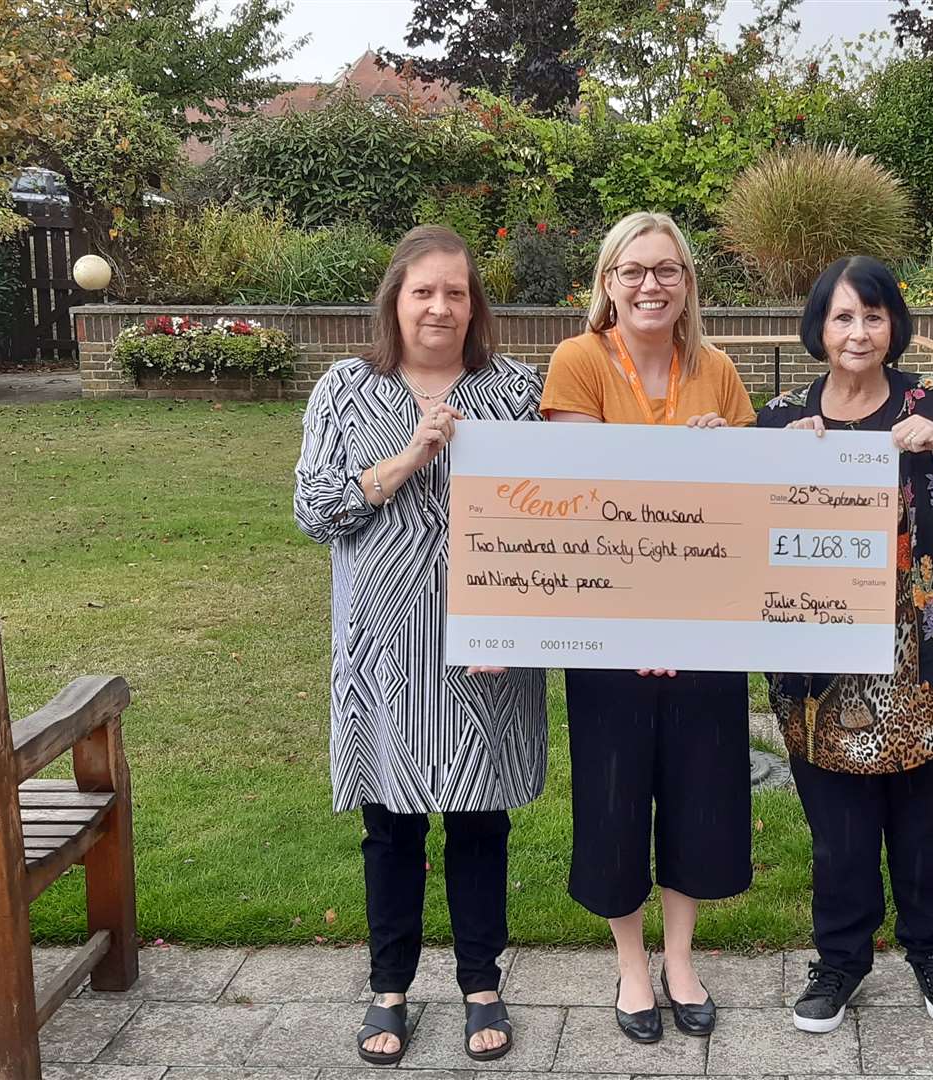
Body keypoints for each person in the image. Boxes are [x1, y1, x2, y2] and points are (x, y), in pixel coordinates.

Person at [293, 225, 547, 1066]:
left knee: (481, 822)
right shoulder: (344, 389)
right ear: (394, 299)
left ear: (475, 307)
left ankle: (482, 982)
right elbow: (314, 510)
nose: (440, 307)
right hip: (384, 648)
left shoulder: (512, 390)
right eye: (423, 291)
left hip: (489, 647)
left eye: (457, 292)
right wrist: (407, 457)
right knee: (391, 825)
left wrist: (524, 619)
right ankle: (389, 989)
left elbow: (550, 516)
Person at [757, 255, 933, 1034]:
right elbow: (732, 535)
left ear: (893, 324)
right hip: (821, 666)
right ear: (818, 327)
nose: (858, 332)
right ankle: (839, 962)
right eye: (842, 317)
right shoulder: (779, 419)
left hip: (929, 659)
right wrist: (764, 457)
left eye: (872, 316)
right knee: (838, 832)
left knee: (926, 823)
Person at [540, 211, 756, 1043]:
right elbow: (589, 499)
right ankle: (631, 965)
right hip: (608, 630)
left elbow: (744, 513)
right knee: (616, 795)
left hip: (706, 627)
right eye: (633, 270)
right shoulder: (579, 361)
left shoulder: (721, 371)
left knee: (702, 797)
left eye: (667, 270)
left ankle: (680, 959)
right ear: (607, 281)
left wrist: (724, 452)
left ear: (688, 283)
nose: (650, 285)